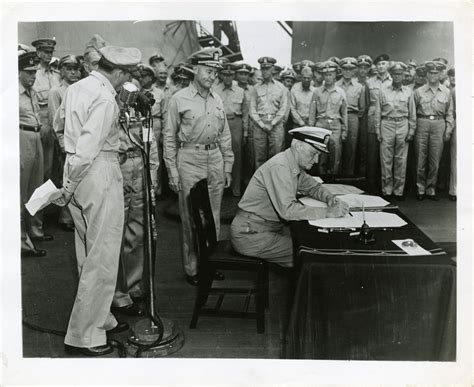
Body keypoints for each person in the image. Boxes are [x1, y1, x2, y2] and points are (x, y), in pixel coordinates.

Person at [52, 45, 142, 356]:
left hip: (77, 169)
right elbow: (90, 148)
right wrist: (71, 183)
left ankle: (102, 316)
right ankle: (84, 336)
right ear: (118, 71)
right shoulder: (105, 98)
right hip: (96, 170)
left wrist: (69, 180)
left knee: (88, 251)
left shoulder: (77, 87)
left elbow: (59, 126)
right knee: (102, 257)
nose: (126, 81)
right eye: (126, 75)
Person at [163, 48, 234, 286]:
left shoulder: (217, 99)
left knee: (213, 218)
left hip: (214, 158)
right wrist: (172, 171)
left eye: (215, 72)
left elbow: (224, 134)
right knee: (191, 218)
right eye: (208, 70)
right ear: (195, 69)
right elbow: (169, 138)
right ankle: (192, 268)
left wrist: (228, 166)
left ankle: (210, 264)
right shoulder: (179, 98)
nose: (212, 76)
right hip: (189, 159)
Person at [230, 127, 349, 267]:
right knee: (313, 254)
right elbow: (288, 211)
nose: (316, 160)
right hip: (251, 234)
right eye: (313, 153)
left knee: (314, 242)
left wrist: (330, 198)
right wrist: (328, 212)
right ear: (298, 146)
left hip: (267, 228)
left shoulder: (293, 164)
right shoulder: (280, 166)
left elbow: (314, 187)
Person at [112, 84, 160, 316]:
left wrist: (152, 178)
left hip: (139, 166)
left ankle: (133, 286)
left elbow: (151, 146)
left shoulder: (141, 109)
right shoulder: (108, 105)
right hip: (117, 166)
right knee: (116, 231)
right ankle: (117, 293)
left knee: (138, 232)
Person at [19, 51, 51, 257]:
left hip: (37, 137)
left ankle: (35, 229)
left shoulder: (31, 91)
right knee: (20, 191)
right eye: (29, 72)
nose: (33, 76)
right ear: (19, 72)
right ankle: (22, 241)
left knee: (37, 187)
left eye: (35, 72)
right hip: (22, 138)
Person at [48, 55, 81, 232]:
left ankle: (77, 215)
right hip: (66, 141)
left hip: (80, 140)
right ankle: (66, 217)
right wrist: (62, 145)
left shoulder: (81, 89)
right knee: (65, 177)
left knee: (79, 176)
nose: (74, 72)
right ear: (61, 71)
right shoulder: (56, 91)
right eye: (69, 68)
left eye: (76, 68)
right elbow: (55, 121)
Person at [374, 62, 416, 200]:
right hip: (387, 124)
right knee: (386, 159)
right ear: (391, 75)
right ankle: (387, 190)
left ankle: (399, 191)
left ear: (404, 75)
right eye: (395, 74)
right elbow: (378, 112)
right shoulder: (383, 90)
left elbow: (412, 113)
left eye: (400, 74)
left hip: (403, 124)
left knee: (401, 160)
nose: (397, 77)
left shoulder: (409, 92)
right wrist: (378, 131)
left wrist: (411, 131)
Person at [413, 60, 454, 201]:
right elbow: (412, 112)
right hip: (422, 122)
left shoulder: (446, 92)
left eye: (436, 73)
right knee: (420, 158)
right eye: (430, 72)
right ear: (427, 74)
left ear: (441, 74)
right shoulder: (418, 92)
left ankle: (431, 189)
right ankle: (420, 189)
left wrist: (448, 129)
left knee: (435, 159)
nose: (433, 76)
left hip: (439, 123)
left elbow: (449, 112)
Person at [214, 63, 249, 197]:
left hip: (235, 123)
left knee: (236, 156)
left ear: (234, 75)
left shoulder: (240, 91)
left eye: (230, 75)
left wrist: (245, 132)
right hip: (220, 122)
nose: (228, 78)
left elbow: (245, 113)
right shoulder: (215, 89)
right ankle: (220, 189)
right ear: (221, 75)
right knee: (219, 155)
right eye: (225, 74)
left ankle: (236, 189)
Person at [308, 60, 348, 176]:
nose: (328, 77)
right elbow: (312, 111)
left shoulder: (340, 92)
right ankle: (321, 179)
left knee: (335, 155)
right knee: (321, 155)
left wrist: (345, 130)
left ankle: (333, 179)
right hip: (321, 124)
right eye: (326, 74)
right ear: (322, 75)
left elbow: (344, 112)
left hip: (335, 126)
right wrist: (311, 129)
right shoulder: (317, 92)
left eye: (330, 74)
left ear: (335, 75)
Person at [249, 56, 289, 169]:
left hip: (276, 126)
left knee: (276, 157)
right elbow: (252, 110)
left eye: (267, 68)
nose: (265, 71)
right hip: (259, 125)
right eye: (263, 69)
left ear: (273, 69)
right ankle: (260, 185)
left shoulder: (281, 88)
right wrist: (262, 124)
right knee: (259, 159)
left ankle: (275, 184)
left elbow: (283, 109)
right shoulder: (255, 88)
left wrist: (272, 123)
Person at [31, 38, 61, 182]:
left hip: (58, 118)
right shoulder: (34, 75)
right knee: (44, 162)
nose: (49, 55)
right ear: (38, 52)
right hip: (42, 121)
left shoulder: (57, 74)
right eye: (46, 52)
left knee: (59, 160)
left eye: (51, 52)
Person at [137, 64, 166, 197]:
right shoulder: (137, 92)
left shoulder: (160, 93)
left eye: (144, 76)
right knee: (143, 155)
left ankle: (157, 188)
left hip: (156, 123)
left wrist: (163, 134)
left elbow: (165, 114)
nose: (141, 79)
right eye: (140, 76)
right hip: (142, 123)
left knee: (156, 157)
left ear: (151, 77)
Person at [366, 54, 392, 193]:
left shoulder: (393, 81)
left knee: (387, 154)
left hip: (387, 120)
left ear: (388, 65)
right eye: (379, 64)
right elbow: (365, 104)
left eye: (384, 64)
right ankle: (371, 185)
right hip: (372, 120)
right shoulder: (370, 82)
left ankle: (386, 185)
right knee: (372, 154)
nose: (381, 66)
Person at [336, 57, 365, 176]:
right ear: (341, 70)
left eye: (350, 69)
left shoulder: (359, 87)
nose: (347, 71)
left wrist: (353, 117)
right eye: (345, 69)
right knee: (337, 147)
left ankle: (348, 176)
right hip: (338, 117)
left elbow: (362, 108)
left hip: (352, 117)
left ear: (354, 71)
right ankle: (336, 175)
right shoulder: (336, 85)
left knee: (351, 148)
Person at [235, 63, 255, 183]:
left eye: (246, 74)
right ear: (236, 75)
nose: (243, 76)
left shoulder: (253, 90)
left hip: (251, 125)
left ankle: (247, 180)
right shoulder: (232, 87)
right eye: (241, 73)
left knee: (249, 154)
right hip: (236, 125)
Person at [355, 54, 372, 178]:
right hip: (354, 118)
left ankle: (362, 176)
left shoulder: (371, 83)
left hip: (367, 119)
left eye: (365, 68)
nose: (362, 70)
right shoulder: (353, 82)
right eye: (360, 67)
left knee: (364, 147)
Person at [447, 67, 456, 201]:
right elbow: (452, 111)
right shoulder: (454, 90)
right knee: (456, 158)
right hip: (459, 122)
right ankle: (454, 190)